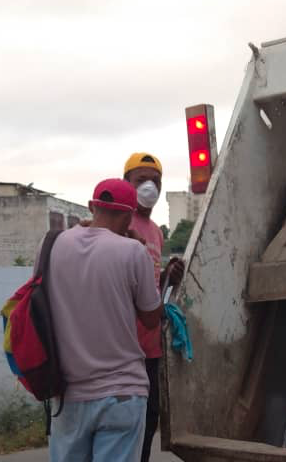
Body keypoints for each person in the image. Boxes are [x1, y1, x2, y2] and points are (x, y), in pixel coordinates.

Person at [43, 178, 163, 462]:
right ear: (129, 214)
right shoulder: (133, 251)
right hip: (122, 393)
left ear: (91, 206)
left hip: (67, 393)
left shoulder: (52, 245)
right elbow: (151, 318)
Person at [122, 152, 185, 462]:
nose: (149, 187)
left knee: (149, 418)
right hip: (123, 345)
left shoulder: (156, 232)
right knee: (124, 424)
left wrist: (168, 277)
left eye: (156, 182)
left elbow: (151, 288)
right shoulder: (120, 223)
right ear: (127, 184)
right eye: (141, 180)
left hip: (151, 346)